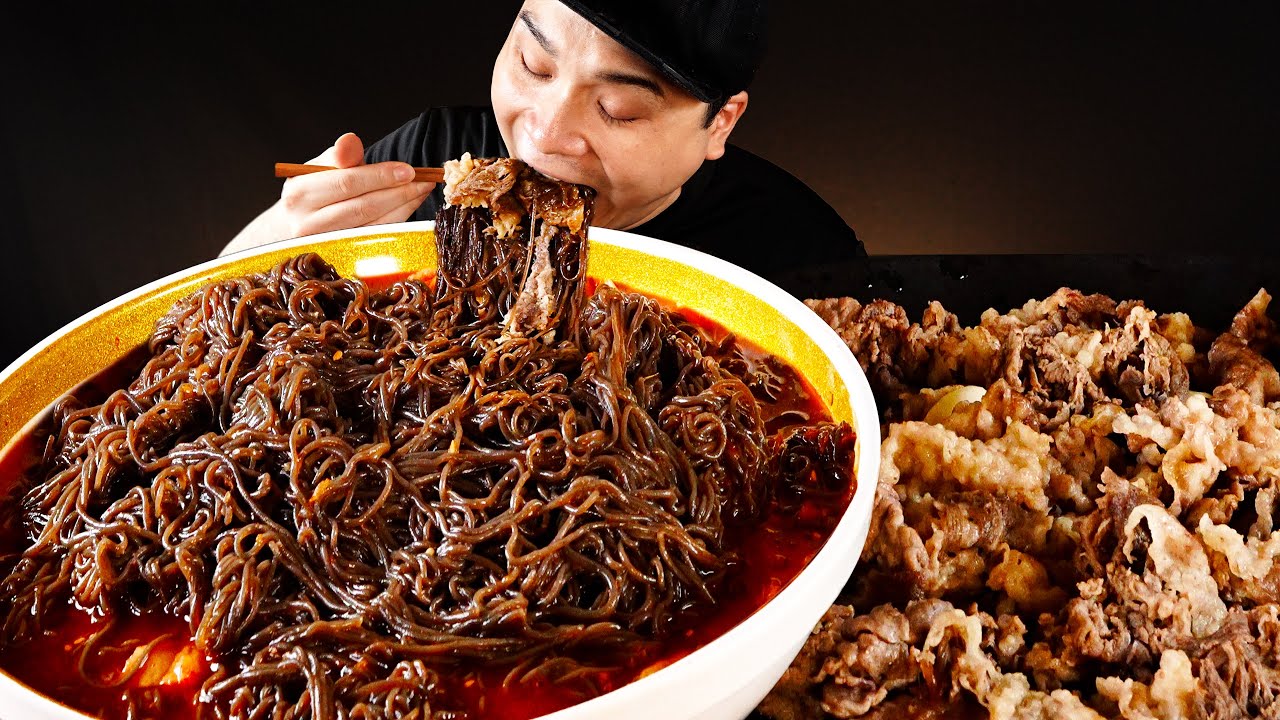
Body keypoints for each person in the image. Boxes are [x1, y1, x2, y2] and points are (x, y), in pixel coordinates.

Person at [222, 0, 866, 280]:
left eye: (617, 109)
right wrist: (272, 249)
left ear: (720, 122)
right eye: (534, 65)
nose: (546, 133)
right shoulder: (430, 151)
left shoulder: (802, 255)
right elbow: (191, 318)